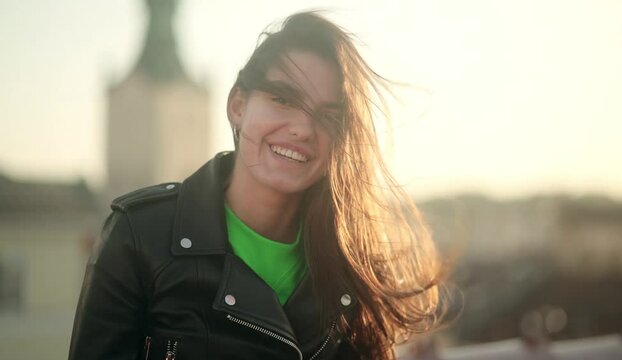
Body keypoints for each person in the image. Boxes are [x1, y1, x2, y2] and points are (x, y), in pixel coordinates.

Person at [69, 11, 448, 360]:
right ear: (238, 104)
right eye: (283, 99)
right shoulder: (139, 237)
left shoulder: (355, 268)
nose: (302, 128)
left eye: (327, 116)